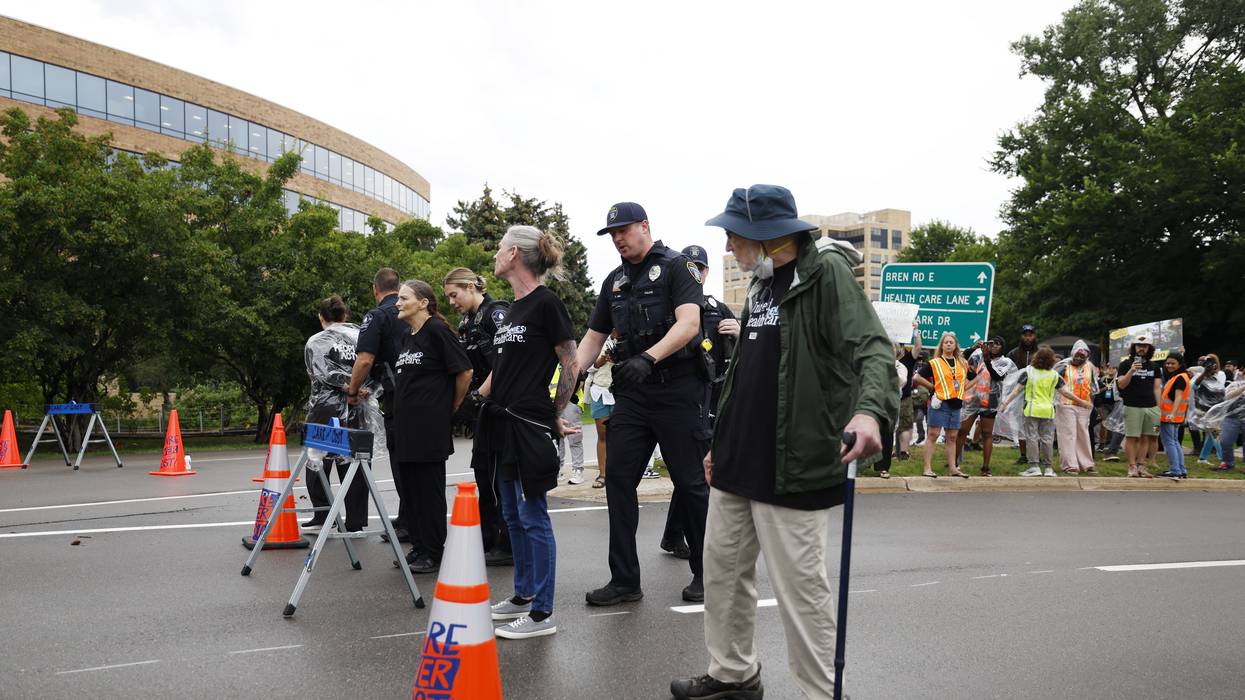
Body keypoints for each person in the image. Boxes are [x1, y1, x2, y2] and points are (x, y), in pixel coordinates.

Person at [669, 184, 892, 700]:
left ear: (763, 236)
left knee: (802, 594)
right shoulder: (762, 283)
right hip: (736, 465)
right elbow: (746, 374)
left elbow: (874, 350)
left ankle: (822, 693)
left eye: (732, 236)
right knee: (723, 577)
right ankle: (733, 675)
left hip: (794, 465)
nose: (727, 248)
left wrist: (869, 411)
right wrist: (718, 444)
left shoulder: (824, 274)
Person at [574, 202, 712, 606]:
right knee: (617, 480)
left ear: (644, 227)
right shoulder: (614, 280)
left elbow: (689, 324)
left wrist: (649, 356)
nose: (618, 238)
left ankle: (707, 574)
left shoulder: (676, 267)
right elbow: (591, 340)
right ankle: (624, 580)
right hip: (634, 394)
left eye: (624, 230)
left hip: (677, 390)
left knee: (690, 484)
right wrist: (564, 384)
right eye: (611, 233)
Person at [475, 225, 579, 640]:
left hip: (530, 421)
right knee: (512, 514)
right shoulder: (512, 309)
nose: (496, 255)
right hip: (501, 421)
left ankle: (543, 613)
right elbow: (503, 370)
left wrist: (553, 412)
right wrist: (472, 399)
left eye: (500, 249)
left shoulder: (545, 304)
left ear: (514, 254)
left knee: (533, 515)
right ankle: (522, 596)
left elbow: (570, 364)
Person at [383, 280, 473, 573]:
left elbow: (464, 371)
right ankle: (420, 548)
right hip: (406, 429)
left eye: (404, 298)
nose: (397, 303)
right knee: (411, 492)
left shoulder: (436, 330)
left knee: (428, 492)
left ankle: (433, 552)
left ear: (423, 303)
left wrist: (452, 405)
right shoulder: (410, 336)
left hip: (428, 428)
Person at [659, 244, 741, 560]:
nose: (693, 272)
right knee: (692, 471)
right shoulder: (672, 307)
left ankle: (674, 534)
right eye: (687, 266)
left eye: (698, 267)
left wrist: (740, 330)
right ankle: (680, 536)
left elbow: (744, 353)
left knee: (695, 471)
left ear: (705, 273)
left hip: (715, 393)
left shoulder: (718, 309)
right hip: (683, 395)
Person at [443, 267, 513, 566]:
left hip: (500, 406)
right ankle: (487, 539)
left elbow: (506, 362)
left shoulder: (496, 314)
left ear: (471, 287)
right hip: (483, 409)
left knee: (498, 478)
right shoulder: (468, 321)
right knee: (484, 475)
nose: (451, 302)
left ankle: (506, 544)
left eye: (454, 295)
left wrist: (477, 396)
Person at [302, 295, 380, 532]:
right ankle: (356, 519)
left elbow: (321, 372)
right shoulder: (359, 335)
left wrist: (346, 388)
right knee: (355, 460)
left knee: (318, 459)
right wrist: (363, 390)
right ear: (345, 315)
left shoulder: (316, 341)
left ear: (321, 317)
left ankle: (322, 513)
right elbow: (374, 364)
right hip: (358, 405)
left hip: (325, 408)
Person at [346, 268, 409, 541]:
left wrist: (353, 389)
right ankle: (408, 517)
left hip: (396, 395)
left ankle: (409, 523)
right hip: (418, 392)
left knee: (401, 461)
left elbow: (365, 360)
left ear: (376, 289)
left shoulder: (377, 315)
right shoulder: (411, 313)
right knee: (414, 461)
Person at [1001, 345, 1092, 476]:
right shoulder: (1054, 375)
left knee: (1032, 438)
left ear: (1036, 358)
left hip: (1031, 410)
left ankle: (1034, 466)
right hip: (1048, 411)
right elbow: (1066, 393)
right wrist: (1082, 402)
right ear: (1051, 360)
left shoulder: (1029, 372)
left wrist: (1005, 403)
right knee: (1047, 439)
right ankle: (1048, 468)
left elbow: (1016, 390)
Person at [912, 332, 976, 478]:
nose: (948, 344)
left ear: (955, 346)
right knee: (933, 435)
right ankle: (927, 469)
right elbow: (917, 377)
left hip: (956, 404)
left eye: (951, 342)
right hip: (939, 404)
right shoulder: (935, 363)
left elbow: (975, 377)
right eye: (945, 342)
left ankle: (953, 468)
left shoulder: (962, 363)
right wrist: (932, 387)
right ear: (941, 345)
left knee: (952, 437)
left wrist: (964, 388)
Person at [958, 336, 1016, 476]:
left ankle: (985, 466)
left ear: (1002, 347)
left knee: (986, 433)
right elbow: (966, 368)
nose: (994, 346)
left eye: (998, 344)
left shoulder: (1005, 361)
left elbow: (996, 376)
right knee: (962, 430)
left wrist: (987, 359)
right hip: (973, 398)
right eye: (991, 343)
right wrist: (973, 349)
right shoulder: (979, 356)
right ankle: (954, 462)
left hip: (990, 401)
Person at [1114, 335, 1162, 478]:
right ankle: (1132, 466)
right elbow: (1121, 384)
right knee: (1132, 437)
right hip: (1132, 405)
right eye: (1139, 346)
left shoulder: (1155, 366)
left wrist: (1158, 407)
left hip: (1151, 406)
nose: (1142, 349)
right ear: (1134, 347)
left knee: (1146, 437)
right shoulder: (1125, 364)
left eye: (1145, 346)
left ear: (1149, 348)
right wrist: (1131, 371)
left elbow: (1157, 388)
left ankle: (1141, 466)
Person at [1054, 340, 1098, 474]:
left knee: (1083, 434)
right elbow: (1054, 384)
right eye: (1077, 355)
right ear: (1073, 354)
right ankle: (1070, 464)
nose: (1079, 358)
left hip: (1084, 406)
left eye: (1082, 356)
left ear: (1087, 357)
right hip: (1066, 405)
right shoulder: (1063, 366)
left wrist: (1091, 403)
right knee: (1068, 435)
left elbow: (1093, 386)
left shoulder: (1090, 367)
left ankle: (1086, 463)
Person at [585, 335, 617, 489]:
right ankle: (603, 474)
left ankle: (620, 473)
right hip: (599, 391)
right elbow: (586, 366)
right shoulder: (599, 339)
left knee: (622, 434)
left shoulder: (628, 336)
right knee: (602, 433)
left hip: (620, 391)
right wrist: (600, 361)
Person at [1007, 323, 1040, 464]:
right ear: (1021, 336)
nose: (1028, 338)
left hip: (1037, 394)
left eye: (1030, 335)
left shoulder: (1040, 353)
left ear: (1034, 336)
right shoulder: (1013, 353)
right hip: (1019, 393)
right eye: (1025, 335)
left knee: (1035, 425)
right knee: (1021, 424)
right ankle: (1023, 455)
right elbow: (1008, 373)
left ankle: (1036, 454)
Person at [1157, 353, 1191, 479]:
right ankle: (1181, 470)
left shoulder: (1179, 378)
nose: (1169, 365)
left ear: (1180, 364)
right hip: (1176, 417)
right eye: (1167, 363)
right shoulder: (1180, 376)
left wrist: (1172, 413)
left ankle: (1175, 470)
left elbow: (1178, 397)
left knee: (1169, 443)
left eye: (1172, 363)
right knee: (1175, 442)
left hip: (1170, 417)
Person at [1190, 354, 1226, 466]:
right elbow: (1194, 387)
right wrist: (1204, 373)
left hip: (1217, 411)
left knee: (1212, 436)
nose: (1211, 366)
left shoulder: (1219, 377)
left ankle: (1202, 458)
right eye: (1208, 363)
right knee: (1215, 434)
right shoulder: (1198, 377)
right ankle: (1224, 460)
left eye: (1213, 363)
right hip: (1205, 412)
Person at [896, 323, 923, 460]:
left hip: (904, 397)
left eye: (897, 345)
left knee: (905, 425)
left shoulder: (908, 357)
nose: (895, 348)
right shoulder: (885, 357)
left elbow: (918, 347)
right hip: (888, 398)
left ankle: (903, 452)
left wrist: (916, 330)